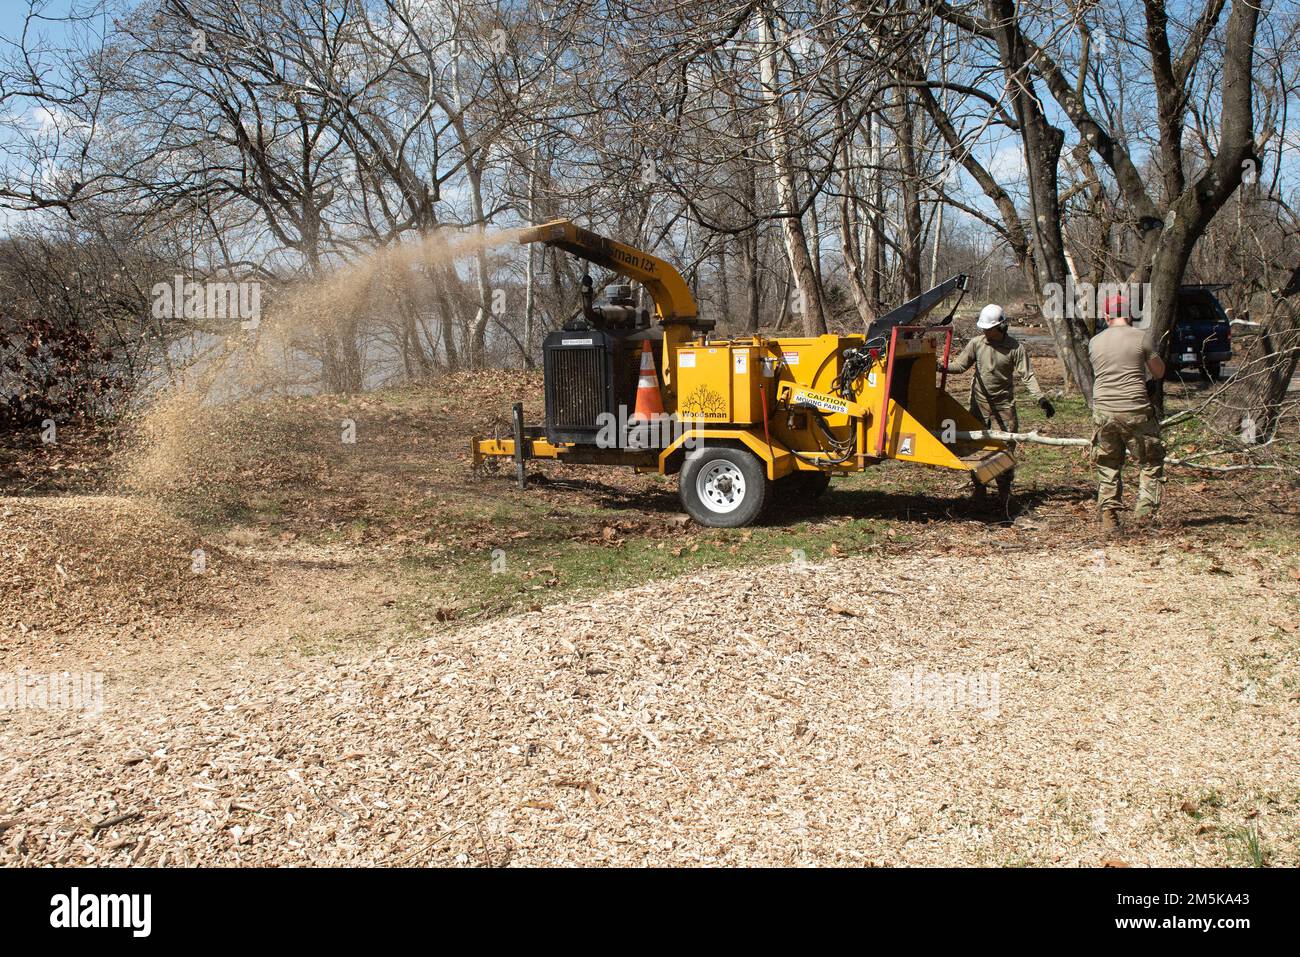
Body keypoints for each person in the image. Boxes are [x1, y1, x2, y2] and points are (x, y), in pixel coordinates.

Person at [945, 303, 1054, 506]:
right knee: (977, 447)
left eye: (989, 328)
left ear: (1001, 327)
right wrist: (938, 366)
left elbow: (1027, 375)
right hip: (979, 404)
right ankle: (979, 490)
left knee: (1004, 449)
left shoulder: (1015, 348)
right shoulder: (977, 344)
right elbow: (959, 366)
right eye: (983, 329)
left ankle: (1004, 493)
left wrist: (1041, 398)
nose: (985, 332)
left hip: (1004, 406)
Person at [1088, 294, 1166, 534]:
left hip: (1104, 411)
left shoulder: (1095, 342)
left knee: (1108, 463)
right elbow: (1159, 371)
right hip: (1135, 409)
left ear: (1106, 316)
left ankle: (1110, 517)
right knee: (1150, 462)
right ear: (1130, 315)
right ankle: (1144, 516)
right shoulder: (1141, 338)